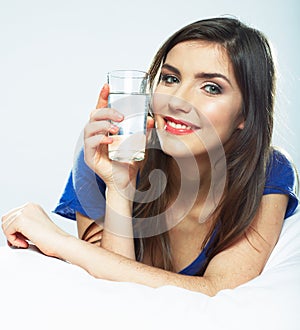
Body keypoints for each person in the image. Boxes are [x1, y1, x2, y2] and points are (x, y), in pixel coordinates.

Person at [2, 17, 298, 296]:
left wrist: (57, 240)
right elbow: (113, 294)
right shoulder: (104, 156)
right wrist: (118, 186)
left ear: (246, 113)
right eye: (170, 79)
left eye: (211, 87)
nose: (178, 100)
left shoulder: (268, 171)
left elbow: (218, 290)